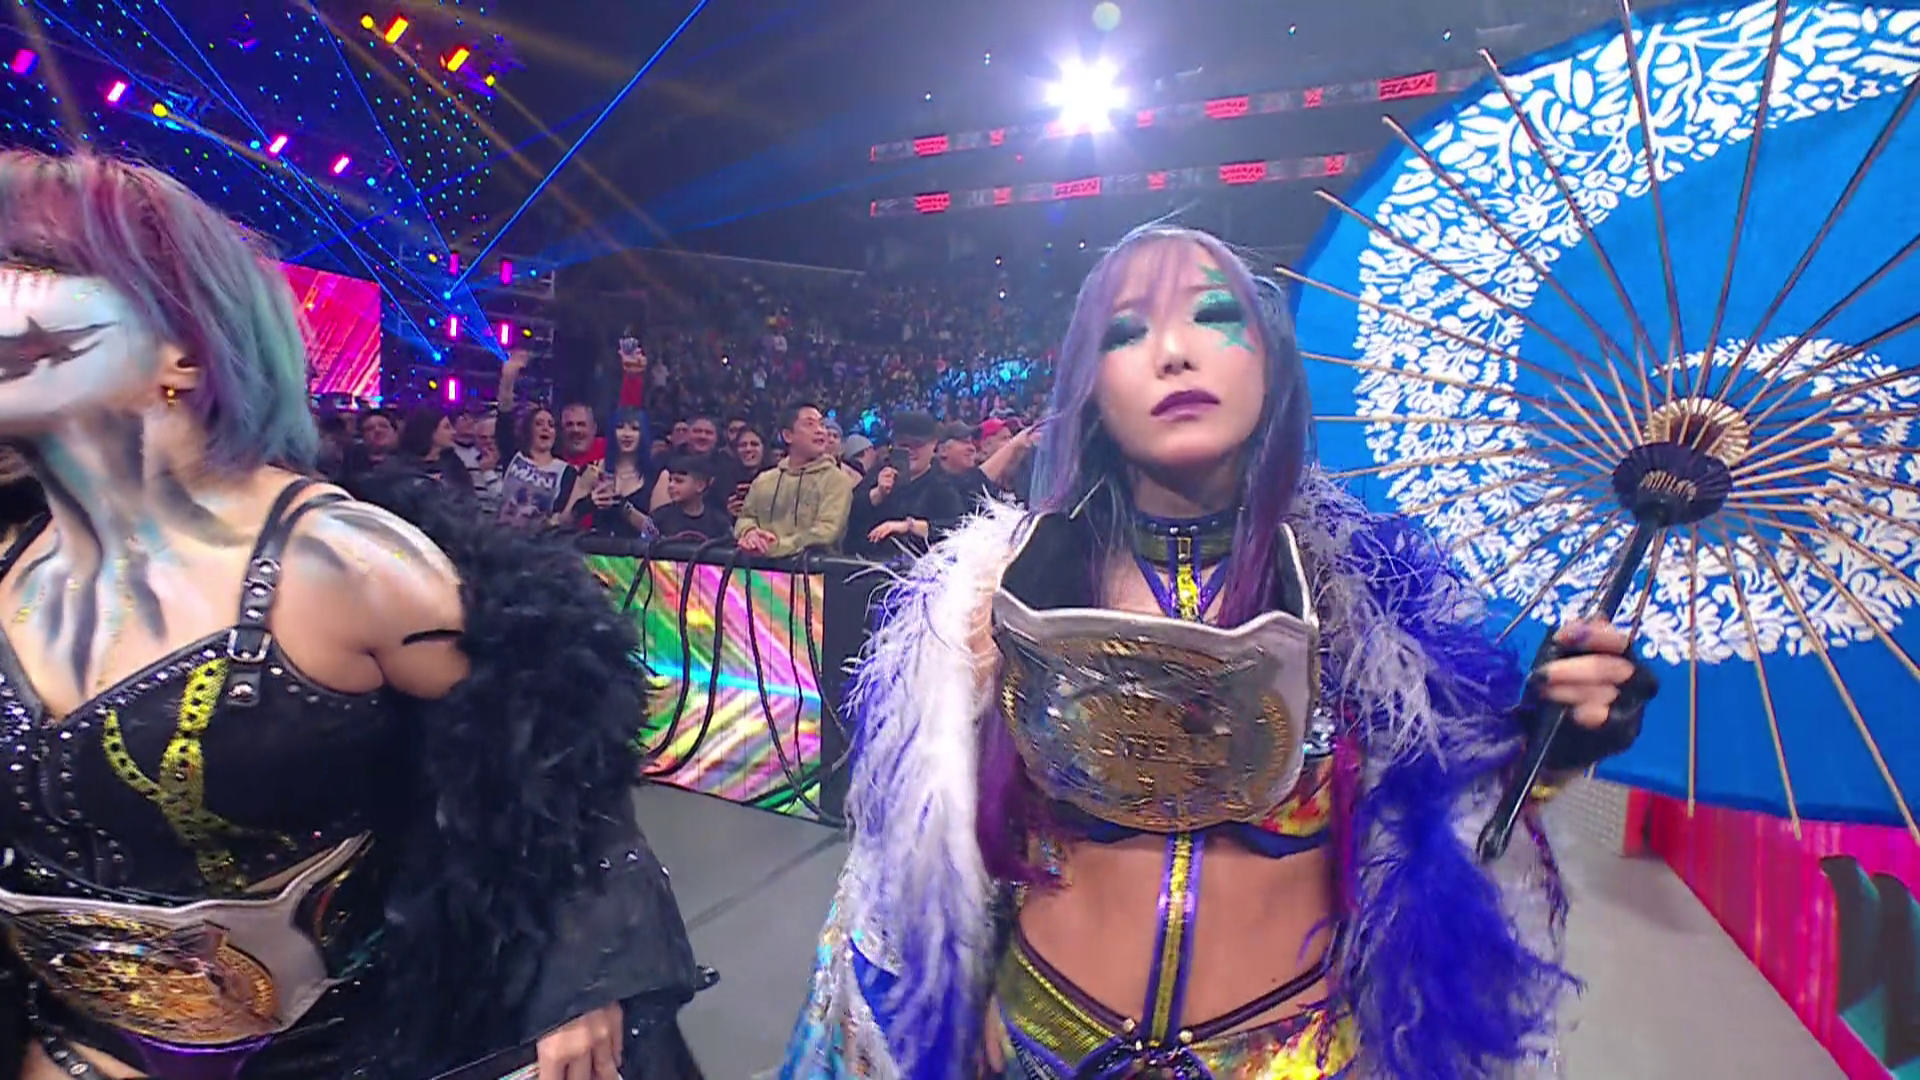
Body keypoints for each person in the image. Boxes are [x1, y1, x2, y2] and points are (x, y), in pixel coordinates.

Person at [782, 225, 1654, 1078]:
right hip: (1035, 1047)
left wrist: (1549, 741)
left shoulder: (1373, 611)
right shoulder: (985, 598)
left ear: (1270, 361)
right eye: (1128, 331)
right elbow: (912, 876)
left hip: (1299, 1055)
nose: (1174, 352)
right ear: (1089, 385)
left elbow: (1447, 833)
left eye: (1213, 315)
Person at [0, 150, 708, 1079]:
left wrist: (580, 969)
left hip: (344, 1051)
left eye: (30, 264)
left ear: (181, 348)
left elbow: (550, 762)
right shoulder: (12, 559)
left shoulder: (342, 564)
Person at [735, 402, 855, 558]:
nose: (820, 430)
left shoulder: (837, 480)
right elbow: (746, 518)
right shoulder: (764, 480)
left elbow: (826, 531)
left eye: (821, 424)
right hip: (759, 569)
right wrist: (750, 534)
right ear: (788, 436)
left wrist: (775, 547)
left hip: (814, 570)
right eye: (809, 424)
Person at [844, 410, 964, 562]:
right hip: (865, 563)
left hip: (917, 568)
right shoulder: (877, 475)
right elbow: (850, 517)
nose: (910, 451)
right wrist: (877, 494)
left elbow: (956, 528)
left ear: (933, 444)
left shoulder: (943, 485)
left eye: (917, 445)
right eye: (903, 445)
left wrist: (909, 526)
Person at [642, 455, 734, 543]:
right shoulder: (658, 519)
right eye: (670, 480)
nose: (671, 485)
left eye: (679, 481)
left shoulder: (719, 523)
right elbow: (645, 546)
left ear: (700, 486)